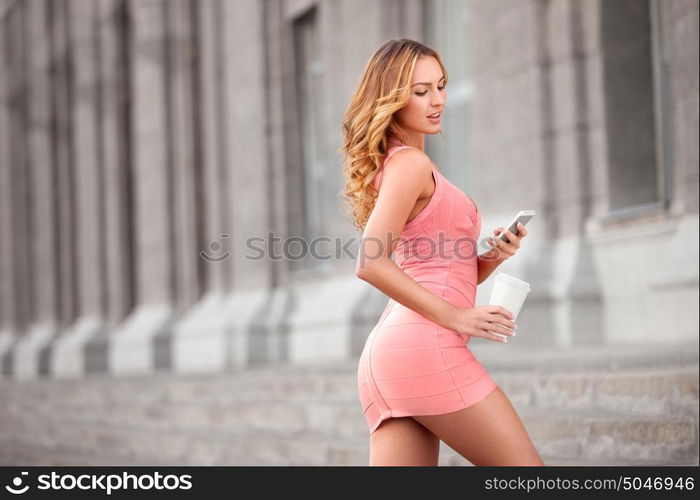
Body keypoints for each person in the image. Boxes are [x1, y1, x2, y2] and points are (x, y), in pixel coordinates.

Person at [339, 38, 544, 466]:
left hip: (395, 356)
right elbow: (371, 262)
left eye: (442, 85)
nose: (437, 101)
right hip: (425, 347)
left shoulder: (410, 163)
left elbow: (439, 269)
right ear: (392, 100)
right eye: (420, 91)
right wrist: (456, 317)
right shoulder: (409, 165)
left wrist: (493, 257)